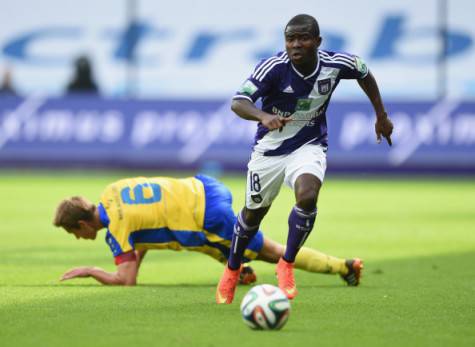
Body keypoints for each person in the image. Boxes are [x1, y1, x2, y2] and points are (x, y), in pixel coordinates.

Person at [216, 14, 393, 304]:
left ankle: (286, 263)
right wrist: (264, 116)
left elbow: (364, 72)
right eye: (290, 39)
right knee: (252, 214)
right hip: (269, 150)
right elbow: (239, 102)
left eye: (303, 38)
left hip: (309, 145)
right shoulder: (273, 67)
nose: (296, 44)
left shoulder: (335, 64)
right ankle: (232, 269)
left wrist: (381, 115)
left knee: (308, 195)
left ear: (317, 41)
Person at [53, 174, 362, 287]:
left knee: (272, 252)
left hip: (207, 215)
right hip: (205, 187)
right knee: (198, 241)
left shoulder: (116, 230)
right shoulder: (112, 190)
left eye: (73, 233)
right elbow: (147, 227)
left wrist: (90, 270)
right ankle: (241, 271)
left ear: (81, 225)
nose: (78, 238)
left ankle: (344, 266)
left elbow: (127, 280)